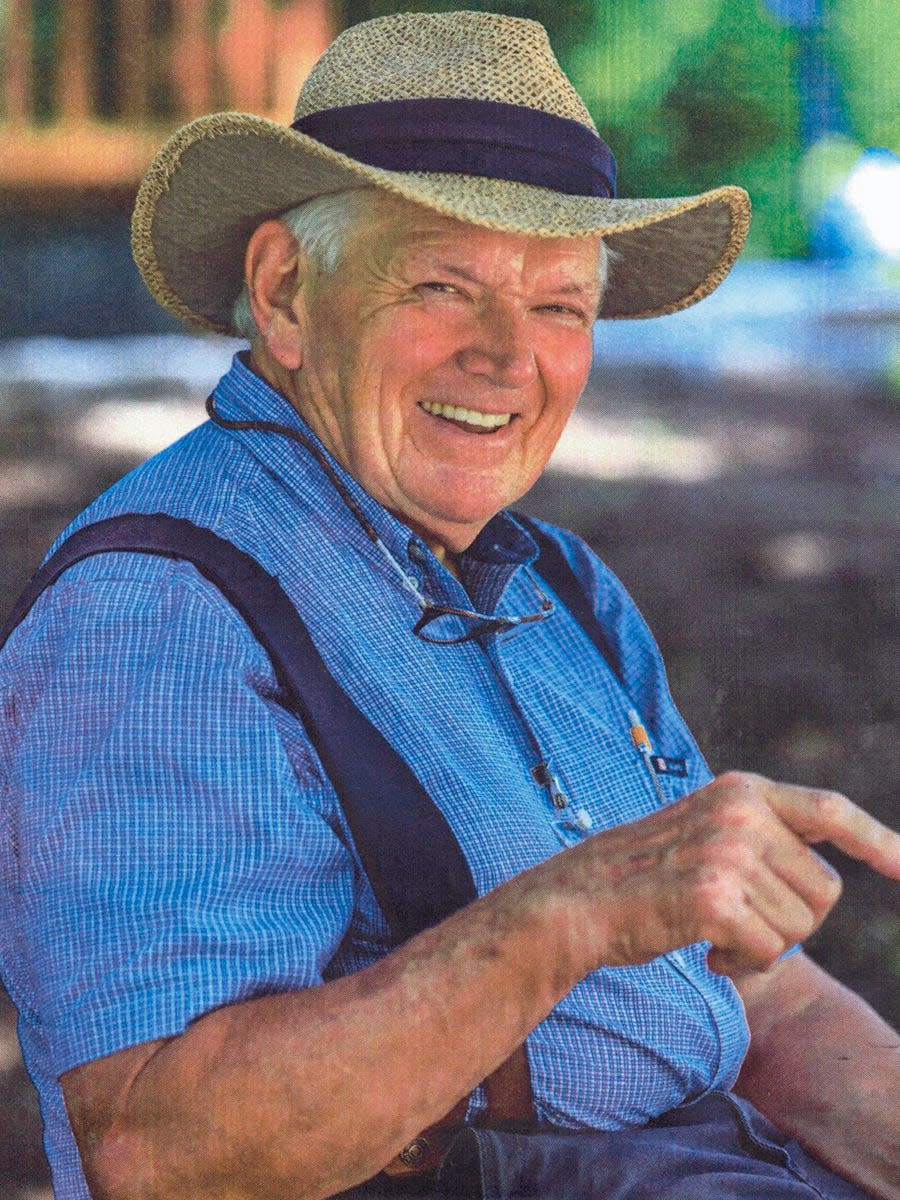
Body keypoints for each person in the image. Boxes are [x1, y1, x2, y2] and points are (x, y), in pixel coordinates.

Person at [0, 11, 898, 1200]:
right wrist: (568, 912)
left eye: (561, 306)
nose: (508, 359)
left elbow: (753, 990)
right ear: (284, 293)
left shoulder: (557, 585)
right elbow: (165, 1155)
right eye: (443, 285)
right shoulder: (160, 613)